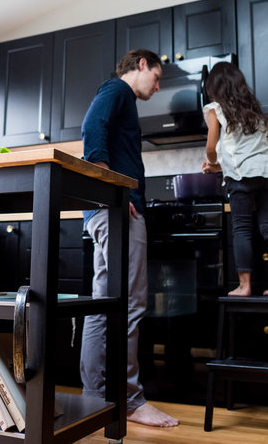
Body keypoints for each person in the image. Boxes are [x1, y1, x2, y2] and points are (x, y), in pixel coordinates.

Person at [79, 49, 179, 428]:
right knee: (131, 303)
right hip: (116, 208)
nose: (157, 86)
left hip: (106, 210)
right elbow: (92, 127)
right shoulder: (117, 90)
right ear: (141, 65)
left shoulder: (122, 100)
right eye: (156, 77)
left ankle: (94, 397)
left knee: (104, 302)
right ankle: (131, 400)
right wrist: (110, 187)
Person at [201, 62, 268, 297]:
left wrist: (212, 163)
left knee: (241, 229)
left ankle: (245, 285)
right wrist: (221, 166)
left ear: (214, 87)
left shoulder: (215, 109)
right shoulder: (253, 109)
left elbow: (211, 148)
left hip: (241, 177)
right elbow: (249, 150)